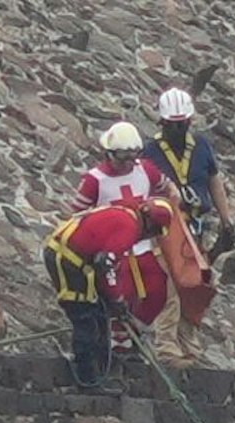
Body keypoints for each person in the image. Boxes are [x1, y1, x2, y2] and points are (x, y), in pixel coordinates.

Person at [143, 87, 235, 365]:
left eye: (181, 125)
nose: (177, 130)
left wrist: (226, 220)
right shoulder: (150, 153)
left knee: (195, 288)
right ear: (162, 123)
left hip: (195, 227)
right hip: (165, 229)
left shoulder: (201, 147)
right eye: (172, 125)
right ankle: (167, 350)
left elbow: (214, 181)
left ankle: (189, 347)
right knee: (169, 289)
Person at [43, 199, 175, 386]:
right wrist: (116, 298)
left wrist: (112, 298)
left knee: (100, 314)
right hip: (68, 260)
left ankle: (97, 373)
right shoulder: (129, 228)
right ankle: (86, 378)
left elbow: (108, 265)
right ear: (151, 227)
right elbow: (104, 262)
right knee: (86, 317)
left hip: (74, 259)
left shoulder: (124, 216)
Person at [70, 123, 173, 355]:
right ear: (108, 153)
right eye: (121, 157)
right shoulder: (94, 180)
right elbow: (76, 215)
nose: (127, 163)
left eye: (131, 157)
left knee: (157, 289)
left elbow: (167, 189)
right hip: (113, 249)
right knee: (120, 293)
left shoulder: (146, 170)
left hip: (142, 245)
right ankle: (117, 343)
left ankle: (135, 333)